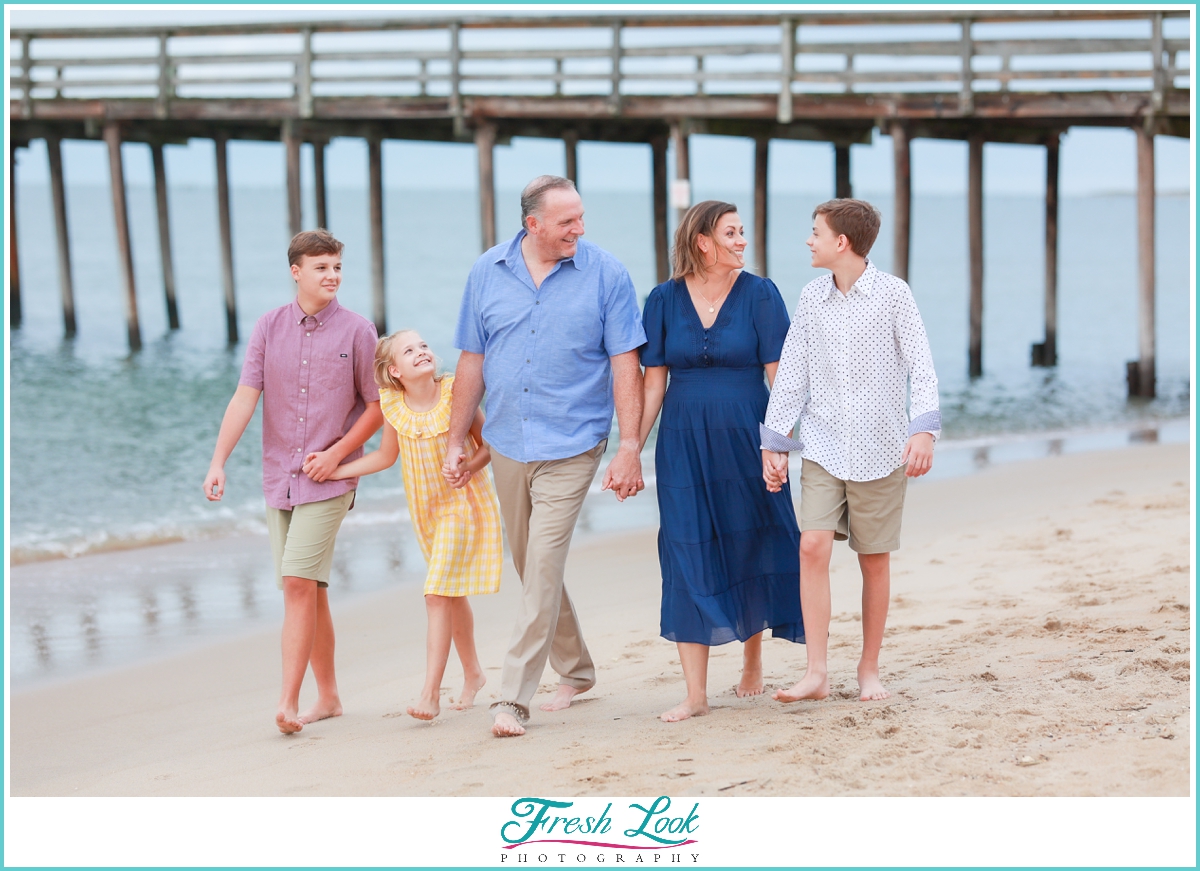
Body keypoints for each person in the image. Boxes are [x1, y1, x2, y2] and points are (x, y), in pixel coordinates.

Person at [445, 175, 646, 738]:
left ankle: (511, 698)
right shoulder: (488, 271)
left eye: (581, 218)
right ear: (532, 224)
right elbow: (472, 360)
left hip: (574, 442)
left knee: (542, 565)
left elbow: (625, 364)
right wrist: (457, 440)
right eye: (566, 222)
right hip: (507, 440)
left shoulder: (606, 274)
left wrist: (629, 446)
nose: (579, 230)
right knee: (529, 564)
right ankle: (577, 668)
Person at [203, 229, 383, 734]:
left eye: (338, 268)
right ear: (296, 271)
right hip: (279, 477)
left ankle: (287, 702)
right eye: (321, 267)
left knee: (299, 584)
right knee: (308, 589)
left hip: (331, 480)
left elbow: (376, 408)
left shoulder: (358, 331)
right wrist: (218, 462)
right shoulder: (267, 328)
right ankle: (328, 698)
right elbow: (244, 398)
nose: (332, 277)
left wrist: (337, 455)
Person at [760, 198, 940, 703]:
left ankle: (868, 668)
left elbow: (921, 366)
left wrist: (923, 430)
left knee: (873, 559)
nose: (808, 239)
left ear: (842, 243)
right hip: (822, 444)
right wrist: (775, 442)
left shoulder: (894, 294)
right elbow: (792, 374)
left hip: (882, 448)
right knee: (811, 545)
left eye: (815, 231)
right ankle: (816, 672)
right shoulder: (811, 297)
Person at [639, 201, 804, 723]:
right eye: (731, 233)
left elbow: (781, 375)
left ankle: (753, 657)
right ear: (702, 242)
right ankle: (695, 693)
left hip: (747, 435)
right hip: (683, 439)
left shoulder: (761, 294)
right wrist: (629, 449)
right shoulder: (662, 300)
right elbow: (653, 382)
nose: (742, 241)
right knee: (685, 547)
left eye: (742, 232)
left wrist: (778, 444)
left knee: (749, 537)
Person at [324, 329, 502, 720]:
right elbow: (386, 456)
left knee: (436, 593)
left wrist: (468, 468)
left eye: (423, 345)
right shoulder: (394, 406)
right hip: (427, 513)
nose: (421, 351)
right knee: (451, 593)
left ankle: (430, 694)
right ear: (394, 371)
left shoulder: (457, 393)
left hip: (463, 505)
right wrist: (336, 471)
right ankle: (473, 674)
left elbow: (489, 444)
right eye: (409, 350)